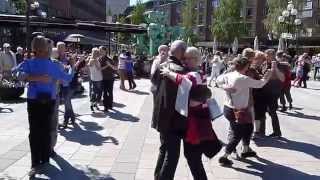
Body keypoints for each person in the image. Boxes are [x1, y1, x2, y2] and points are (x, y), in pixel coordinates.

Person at [14, 36, 73, 177]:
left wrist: (32, 78)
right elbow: (68, 78)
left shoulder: (31, 63)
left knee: (36, 131)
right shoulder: (49, 65)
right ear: (43, 50)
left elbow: (15, 73)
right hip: (45, 101)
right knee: (44, 130)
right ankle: (42, 159)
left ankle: (37, 162)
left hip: (36, 101)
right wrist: (72, 67)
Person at [161, 47, 222, 180]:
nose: (185, 61)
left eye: (188, 58)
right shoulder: (201, 72)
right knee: (194, 158)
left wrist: (167, 72)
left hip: (195, 120)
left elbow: (184, 81)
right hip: (200, 118)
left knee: (193, 158)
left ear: (196, 59)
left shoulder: (194, 74)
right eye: (184, 58)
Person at [216, 57, 272, 166]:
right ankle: (224, 156)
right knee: (237, 135)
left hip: (230, 108)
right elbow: (260, 84)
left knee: (249, 127)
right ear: (246, 66)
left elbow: (218, 80)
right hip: (237, 110)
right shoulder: (243, 78)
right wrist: (267, 77)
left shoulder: (229, 74)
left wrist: (224, 87)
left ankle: (246, 149)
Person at [151, 40, 188, 180]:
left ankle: (157, 177)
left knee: (164, 149)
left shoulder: (162, 66)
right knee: (172, 155)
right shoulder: (179, 69)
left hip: (161, 115)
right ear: (181, 52)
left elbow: (153, 84)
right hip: (173, 118)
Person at [57, 42, 76, 128]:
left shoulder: (68, 59)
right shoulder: (55, 58)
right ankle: (72, 117)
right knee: (65, 102)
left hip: (66, 84)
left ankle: (65, 120)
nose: (60, 49)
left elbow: (72, 69)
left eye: (62, 47)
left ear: (65, 48)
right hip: (57, 84)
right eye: (59, 47)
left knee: (67, 102)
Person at [99, 46, 117, 112]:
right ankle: (105, 106)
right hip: (103, 78)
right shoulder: (99, 59)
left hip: (110, 78)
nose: (100, 52)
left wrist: (109, 65)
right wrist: (107, 66)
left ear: (105, 51)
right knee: (105, 92)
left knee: (110, 92)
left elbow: (115, 68)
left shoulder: (109, 59)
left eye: (101, 50)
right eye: (100, 50)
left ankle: (110, 105)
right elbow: (99, 69)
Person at [88, 48, 104, 112]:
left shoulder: (91, 59)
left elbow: (89, 66)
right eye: (97, 53)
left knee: (94, 92)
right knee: (98, 92)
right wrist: (107, 66)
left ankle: (94, 104)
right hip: (97, 78)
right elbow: (98, 69)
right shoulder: (94, 60)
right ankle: (93, 104)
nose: (98, 54)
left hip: (94, 77)